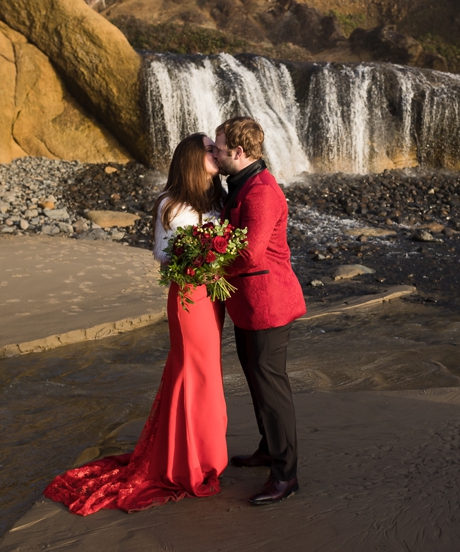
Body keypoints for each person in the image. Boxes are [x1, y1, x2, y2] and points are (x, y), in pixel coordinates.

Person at [43, 133, 230, 514]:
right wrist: (195, 249)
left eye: (217, 148)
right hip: (188, 296)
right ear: (192, 160)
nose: (217, 154)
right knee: (191, 376)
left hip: (213, 296)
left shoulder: (217, 199)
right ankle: (187, 463)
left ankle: (206, 456)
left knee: (208, 375)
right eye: (210, 150)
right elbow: (162, 253)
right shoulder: (171, 203)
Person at [212, 116, 307, 505]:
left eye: (218, 149)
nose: (214, 155)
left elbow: (250, 253)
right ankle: (269, 449)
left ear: (238, 152)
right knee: (256, 381)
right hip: (249, 304)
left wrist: (209, 264)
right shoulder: (241, 183)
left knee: (271, 388)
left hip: (268, 304)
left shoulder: (262, 192)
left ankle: (286, 476)